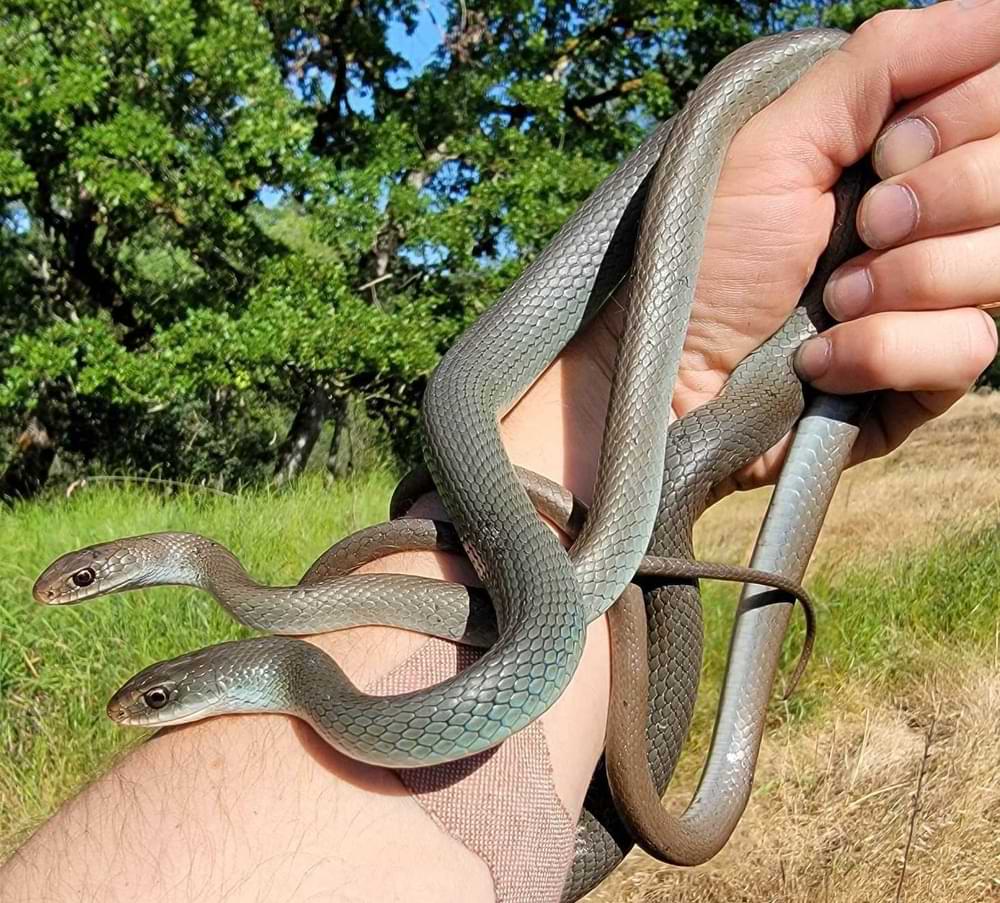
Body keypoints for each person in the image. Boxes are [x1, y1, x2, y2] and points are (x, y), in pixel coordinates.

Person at [4, 2, 1000, 900]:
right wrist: (637, 402)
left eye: (90, 577)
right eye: (158, 696)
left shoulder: (294, 641)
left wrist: (663, 385)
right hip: (568, 518)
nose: (143, 706)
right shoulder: (296, 664)